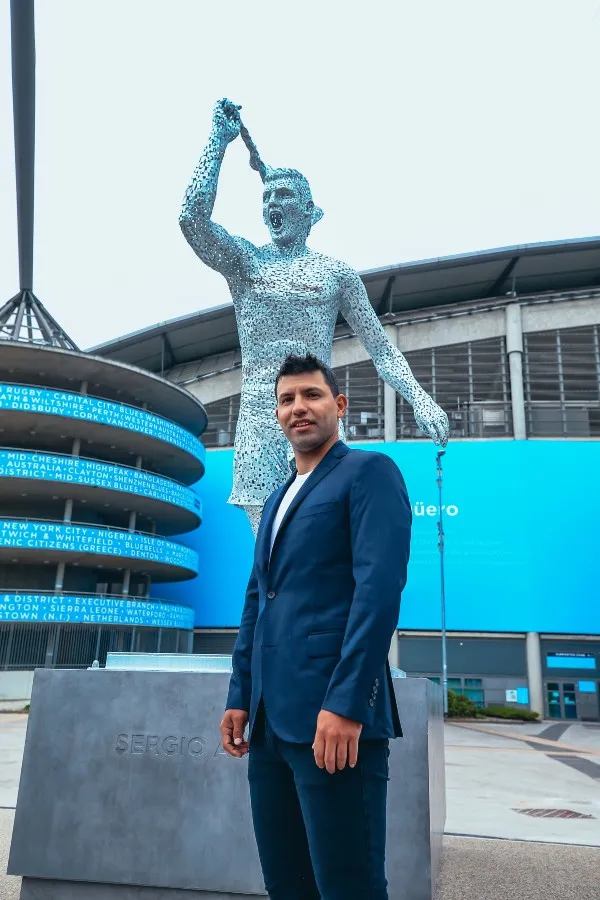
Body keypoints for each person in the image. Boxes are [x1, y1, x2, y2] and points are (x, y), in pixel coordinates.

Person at [180, 98, 448, 535]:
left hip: (318, 415)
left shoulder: (335, 274)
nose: (273, 202)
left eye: (284, 195)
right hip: (261, 420)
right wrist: (217, 143)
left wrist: (420, 398)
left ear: (310, 212)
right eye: (267, 196)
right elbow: (191, 219)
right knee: (271, 548)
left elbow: (381, 350)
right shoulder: (246, 263)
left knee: (324, 536)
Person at [220, 353, 412, 900]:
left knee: (348, 885)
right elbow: (257, 603)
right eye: (287, 400)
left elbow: (378, 593)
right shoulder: (277, 497)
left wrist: (348, 703)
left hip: (334, 721)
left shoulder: (368, 473)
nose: (298, 407)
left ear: (339, 405)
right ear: (277, 414)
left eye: (311, 395)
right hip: (269, 729)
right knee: (287, 884)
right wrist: (240, 695)